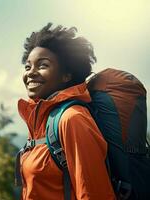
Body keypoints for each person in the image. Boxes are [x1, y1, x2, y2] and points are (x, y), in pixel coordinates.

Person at [17, 23, 116, 200]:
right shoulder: (41, 120)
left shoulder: (72, 119)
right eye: (27, 66)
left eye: (42, 65)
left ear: (66, 75)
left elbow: (93, 194)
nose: (31, 73)